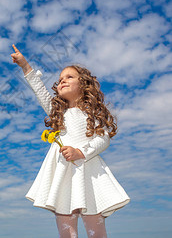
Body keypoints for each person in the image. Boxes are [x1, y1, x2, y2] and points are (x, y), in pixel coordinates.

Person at [11, 44, 130, 238]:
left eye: (69, 77)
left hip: (88, 173)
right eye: (59, 80)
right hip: (62, 173)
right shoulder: (58, 112)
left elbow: (103, 139)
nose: (62, 81)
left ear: (84, 84)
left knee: (96, 232)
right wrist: (25, 65)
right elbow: (39, 90)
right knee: (67, 233)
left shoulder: (92, 113)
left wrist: (81, 152)